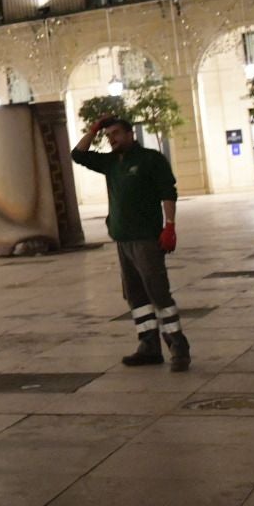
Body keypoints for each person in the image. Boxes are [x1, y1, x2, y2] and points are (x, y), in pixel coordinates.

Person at [72, 117, 191, 371]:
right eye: (108, 135)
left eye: (116, 133)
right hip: (122, 239)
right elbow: (78, 155)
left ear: (130, 134)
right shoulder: (111, 162)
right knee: (135, 295)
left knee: (158, 292)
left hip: (146, 238)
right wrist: (93, 130)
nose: (112, 139)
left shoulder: (150, 159)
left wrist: (169, 225)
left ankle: (178, 347)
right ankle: (148, 345)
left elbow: (168, 192)